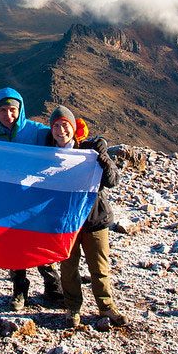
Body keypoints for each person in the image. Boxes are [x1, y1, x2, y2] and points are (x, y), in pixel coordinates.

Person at [45, 105, 129, 328]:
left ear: (73, 128)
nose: (60, 130)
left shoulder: (89, 151)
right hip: (66, 222)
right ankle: (72, 307)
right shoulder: (46, 154)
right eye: (56, 126)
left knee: (99, 266)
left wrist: (104, 159)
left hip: (94, 219)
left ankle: (106, 306)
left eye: (65, 125)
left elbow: (112, 181)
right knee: (68, 267)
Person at [0, 87, 63, 310]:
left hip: (34, 200)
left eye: (13, 110)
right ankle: (20, 290)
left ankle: (52, 286)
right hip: (7, 200)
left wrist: (93, 142)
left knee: (39, 241)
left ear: (20, 110)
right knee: (15, 245)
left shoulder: (35, 131)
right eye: (3, 110)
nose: (8, 115)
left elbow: (62, 135)